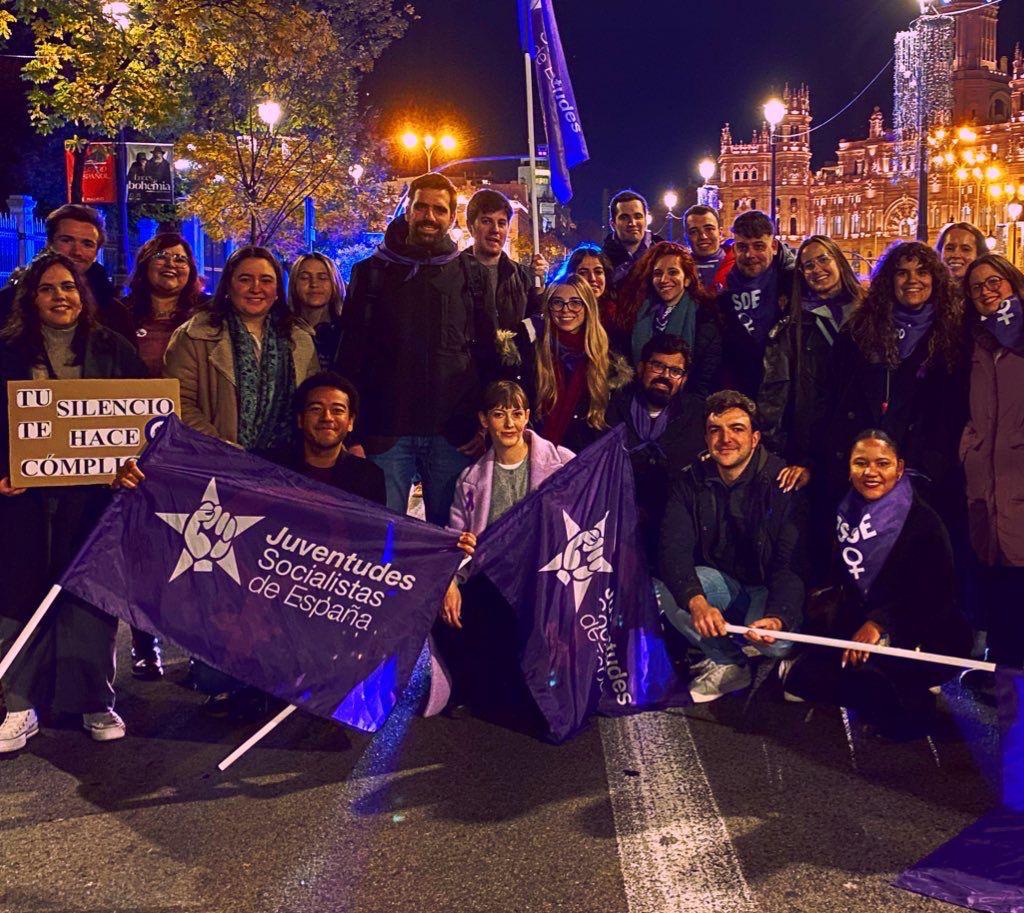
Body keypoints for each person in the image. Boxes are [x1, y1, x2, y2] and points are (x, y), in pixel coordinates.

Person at [0, 251, 147, 753]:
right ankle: (19, 705)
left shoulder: (115, 351)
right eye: (48, 289)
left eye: (68, 288)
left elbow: (141, 423)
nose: (59, 297)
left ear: (82, 296)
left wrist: (131, 467)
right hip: (23, 504)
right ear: (31, 297)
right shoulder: (7, 352)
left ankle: (94, 701)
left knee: (90, 597)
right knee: (18, 599)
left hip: (93, 502)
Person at [781, 431, 972, 739]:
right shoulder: (842, 511)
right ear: (850, 469)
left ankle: (901, 695)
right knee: (801, 681)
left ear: (899, 468)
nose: (871, 473)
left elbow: (936, 594)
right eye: (860, 463)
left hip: (921, 627)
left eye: (882, 463)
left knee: (890, 698)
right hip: (857, 624)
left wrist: (880, 624)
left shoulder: (924, 520)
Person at [336, 172, 482, 526]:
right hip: (386, 431)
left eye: (439, 210)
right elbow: (350, 354)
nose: (429, 217)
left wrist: (480, 424)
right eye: (421, 208)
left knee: (446, 543)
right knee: (381, 543)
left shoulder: (469, 274)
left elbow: (483, 353)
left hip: (451, 433)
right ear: (408, 210)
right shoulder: (370, 273)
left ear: (452, 218)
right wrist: (351, 433)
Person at [657, 391, 805, 703]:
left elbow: (790, 566)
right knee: (663, 590)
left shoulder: (782, 483)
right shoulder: (689, 482)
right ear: (706, 438)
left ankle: (792, 655)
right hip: (725, 585)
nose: (726, 439)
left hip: (768, 590)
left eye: (737, 429)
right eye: (716, 430)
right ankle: (729, 663)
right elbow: (674, 549)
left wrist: (779, 616)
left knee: (774, 643)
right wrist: (696, 602)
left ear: (755, 438)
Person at [438, 380, 573, 716]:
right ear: (484, 421)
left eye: (516, 413)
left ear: (528, 416)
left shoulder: (563, 462)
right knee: (457, 607)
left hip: (548, 577)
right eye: (499, 414)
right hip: (495, 581)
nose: (509, 424)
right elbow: (456, 538)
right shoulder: (470, 479)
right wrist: (451, 582)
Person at [822, 241, 965, 523]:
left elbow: (955, 408)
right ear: (890, 280)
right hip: (866, 466)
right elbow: (835, 395)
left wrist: (931, 463)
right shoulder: (859, 329)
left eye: (922, 272)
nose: (913, 280)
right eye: (902, 273)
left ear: (935, 279)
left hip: (924, 470)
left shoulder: (954, 333)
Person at [121, 232, 208, 678]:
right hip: (133, 449)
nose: (172, 264)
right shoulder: (120, 316)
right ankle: (144, 641)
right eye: (162, 257)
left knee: (195, 548)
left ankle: (197, 644)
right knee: (144, 550)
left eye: (181, 258)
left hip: (188, 445)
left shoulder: (206, 317)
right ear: (145, 264)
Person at [117, 371, 387, 505]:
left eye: (338, 410)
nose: (327, 417)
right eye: (316, 409)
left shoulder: (369, 477)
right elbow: (194, 483)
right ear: (300, 420)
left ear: (350, 422)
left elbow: (378, 545)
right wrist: (143, 477)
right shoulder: (264, 466)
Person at [164, 245, 319, 450]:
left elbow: (313, 402)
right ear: (228, 286)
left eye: (266, 280)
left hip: (286, 466)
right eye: (245, 279)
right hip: (216, 464)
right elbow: (179, 403)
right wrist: (223, 450)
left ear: (277, 291)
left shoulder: (300, 339)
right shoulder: (194, 336)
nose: (256, 288)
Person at [958, 255, 1024, 688]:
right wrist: (969, 448)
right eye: (976, 287)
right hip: (987, 477)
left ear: (1012, 282)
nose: (986, 291)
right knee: (997, 574)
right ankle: (1003, 668)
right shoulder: (978, 339)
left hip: (1017, 471)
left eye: (993, 281)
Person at [759, 236, 865, 490]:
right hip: (816, 452)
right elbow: (774, 398)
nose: (817, 270)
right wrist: (781, 457)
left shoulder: (870, 313)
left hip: (865, 442)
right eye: (807, 266)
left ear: (839, 262)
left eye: (823, 260)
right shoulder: (793, 328)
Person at [497, 275, 631, 452]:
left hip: (583, 459)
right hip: (532, 453)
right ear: (548, 307)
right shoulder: (528, 353)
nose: (565, 310)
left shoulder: (608, 360)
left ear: (588, 307)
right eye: (557, 302)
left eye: (575, 303)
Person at [605, 333, 706, 563]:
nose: (665, 376)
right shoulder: (611, 409)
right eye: (657, 366)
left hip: (672, 534)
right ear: (640, 368)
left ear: (684, 379)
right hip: (616, 527)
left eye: (675, 371)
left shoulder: (698, 415)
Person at [0, 204, 131, 339]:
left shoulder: (115, 313)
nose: (77, 252)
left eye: (87, 244)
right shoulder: (9, 301)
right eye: (67, 240)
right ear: (49, 243)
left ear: (96, 253)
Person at [616, 241, 721, 395]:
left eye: (673, 272)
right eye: (658, 274)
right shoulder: (635, 314)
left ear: (687, 279)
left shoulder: (705, 319)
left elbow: (705, 379)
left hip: (686, 406)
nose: (664, 280)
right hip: (640, 402)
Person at [717, 210, 797, 398]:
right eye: (742, 247)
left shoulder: (794, 282)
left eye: (759, 246)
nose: (749, 254)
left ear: (774, 246)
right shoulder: (726, 289)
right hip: (744, 391)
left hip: (788, 391)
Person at [460, 188, 547, 333]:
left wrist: (539, 289)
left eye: (501, 223)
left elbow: (536, 323)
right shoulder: (455, 271)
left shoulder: (523, 277)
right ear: (470, 226)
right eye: (486, 221)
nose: (495, 230)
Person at [560, 243, 625, 356]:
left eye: (598, 272)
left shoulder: (618, 316)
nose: (592, 279)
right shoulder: (562, 313)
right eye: (583, 273)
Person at [288, 253, 346, 368]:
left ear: (335, 283)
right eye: (305, 278)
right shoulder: (282, 333)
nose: (314, 284)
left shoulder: (347, 332)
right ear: (294, 284)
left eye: (322, 278)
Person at [601, 190, 664, 289]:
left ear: (646, 220)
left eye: (638, 216)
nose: (632, 223)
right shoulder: (602, 261)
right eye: (624, 218)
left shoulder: (663, 254)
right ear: (613, 224)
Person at [683, 204, 735, 296]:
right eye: (694, 231)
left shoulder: (738, 265)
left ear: (720, 232)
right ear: (686, 236)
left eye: (709, 229)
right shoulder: (679, 269)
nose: (703, 236)